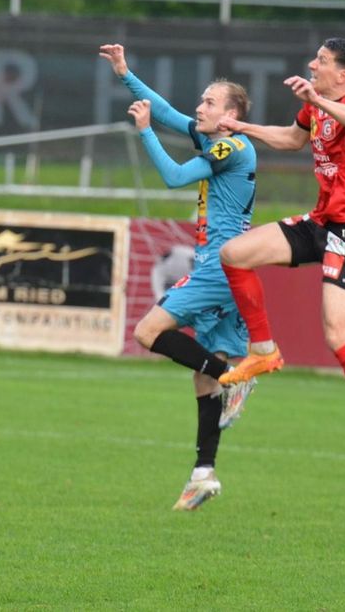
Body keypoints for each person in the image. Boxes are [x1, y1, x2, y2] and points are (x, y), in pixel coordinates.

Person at [216, 38, 345, 489]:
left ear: (343, 74)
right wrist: (240, 126)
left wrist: (317, 99)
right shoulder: (317, 106)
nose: (312, 64)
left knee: (338, 334)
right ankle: (264, 352)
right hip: (321, 221)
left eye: (321, 61)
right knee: (235, 254)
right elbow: (292, 139)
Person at [99, 43, 258, 511]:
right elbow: (168, 110)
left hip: (220, 268)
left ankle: (236, 377)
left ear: (230, 114)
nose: (199, 107)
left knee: (148, 332)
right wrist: (126, 74)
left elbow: (172, 176)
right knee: (202, 376)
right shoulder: (219, 140)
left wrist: (145, 132)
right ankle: (203, 472)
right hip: (230, 269)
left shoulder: (230, 146)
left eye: (209, 102)